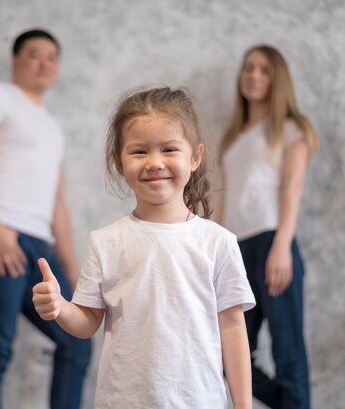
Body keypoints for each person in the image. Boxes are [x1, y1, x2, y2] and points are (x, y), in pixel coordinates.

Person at [33, 87, 256, 408]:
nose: (154, 162)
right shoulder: (106, 241)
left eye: (168, 149)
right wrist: (60, 308)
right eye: (139, 152)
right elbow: (87, 322)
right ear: (119, 162)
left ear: (195, 157)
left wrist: (243, 406)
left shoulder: (218, 242)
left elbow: (233, 329)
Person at [0, 29, 91, 409]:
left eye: (52, 56)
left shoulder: (52, 126)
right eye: (34, 54)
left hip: (38, 245)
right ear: (15, 60)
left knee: (76, 341)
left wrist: (71, 266)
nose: (44, 63)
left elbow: (56, 202)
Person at [218, 45, 319, 409]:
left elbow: (292, 191)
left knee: (287, 349)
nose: (254, 76)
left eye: (263, 70)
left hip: (272, 241)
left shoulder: (292, 128)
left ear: (277, 79)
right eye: (248, 68)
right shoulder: (234, 137)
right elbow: (228, 202)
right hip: (236, 249)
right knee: (228, 354)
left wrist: (281, 246)